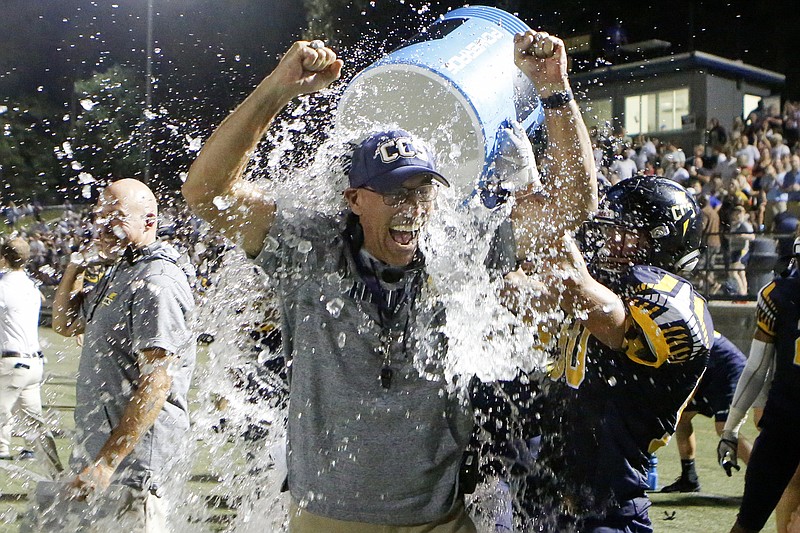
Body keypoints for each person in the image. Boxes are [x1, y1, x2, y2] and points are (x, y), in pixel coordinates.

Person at [182, 32, 595, 531]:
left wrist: (554, 89)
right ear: (355, 199)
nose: (414, 208)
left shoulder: (456, 250)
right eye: (395, 193)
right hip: (328, 517)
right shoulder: (309, 250)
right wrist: (276, 91)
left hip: (438, 518)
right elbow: (207, 193)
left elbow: (572, 208)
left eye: (423, 190)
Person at [505, 176, 713, 532]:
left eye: (628, 233)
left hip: (608, 510)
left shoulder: (677, 305)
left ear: (664, 242)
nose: (610, 242)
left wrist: (545, 203)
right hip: (545, 500)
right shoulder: (604, 291)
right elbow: (523, 295)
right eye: (611, 229)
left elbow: (583, 292)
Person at [38, 179, 196, 531]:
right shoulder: (121, 268)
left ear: (149, 221)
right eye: (99, 215)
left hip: (133, 467)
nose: (103, 224)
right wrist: (76, 264)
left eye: (116, 216)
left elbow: (157, 381)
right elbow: (64, 324)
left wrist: (108, 462)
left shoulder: (158, 280)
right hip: (102, 455)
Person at [717, 237, 800, 533]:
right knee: (748, 522)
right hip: (784, 422)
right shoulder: (778, 296)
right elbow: (756, 369)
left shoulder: (780, 294)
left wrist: (730, 429)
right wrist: (730, 429)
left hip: (784, 419)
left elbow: (756, 369)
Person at [660, 332, 752, 493]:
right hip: (711, 371)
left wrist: (685, 398)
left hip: (728, 370)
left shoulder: (677, 328)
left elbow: (695, 369)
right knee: (682, 417)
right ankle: (689, 477)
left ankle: (766, 480)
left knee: (725, 428)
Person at [0, 237, 63, 471]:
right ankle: (58, 476)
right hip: (34, 364)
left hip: (11, 362)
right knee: (36, 427)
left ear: (3, 258)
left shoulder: (4, 286)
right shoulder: (32, 287)